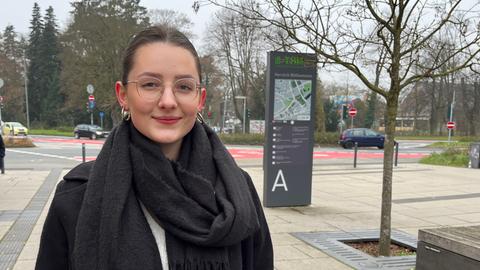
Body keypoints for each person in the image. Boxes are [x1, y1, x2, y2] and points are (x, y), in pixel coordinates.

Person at [35, 25, 273, 270]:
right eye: (150, 84)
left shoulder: (237, 193)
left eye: (184, 87)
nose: (168, 101)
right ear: (123, 95)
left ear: (200, 99)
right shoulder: (77, 197)